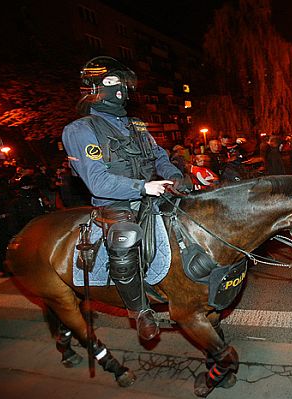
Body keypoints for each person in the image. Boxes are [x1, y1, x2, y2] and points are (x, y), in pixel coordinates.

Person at [62, 56, 190, 340]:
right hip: (115, 203)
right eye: (110, 82)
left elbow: (159, 157)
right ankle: (140, 310)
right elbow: (96, 181)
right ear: (92, 88)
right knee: (124, 241)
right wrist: (143, 188)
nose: (118, 89)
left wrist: (175, 175)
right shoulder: (80, 130)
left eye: (121, 82)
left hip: (150, 191)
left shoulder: (138, 125)